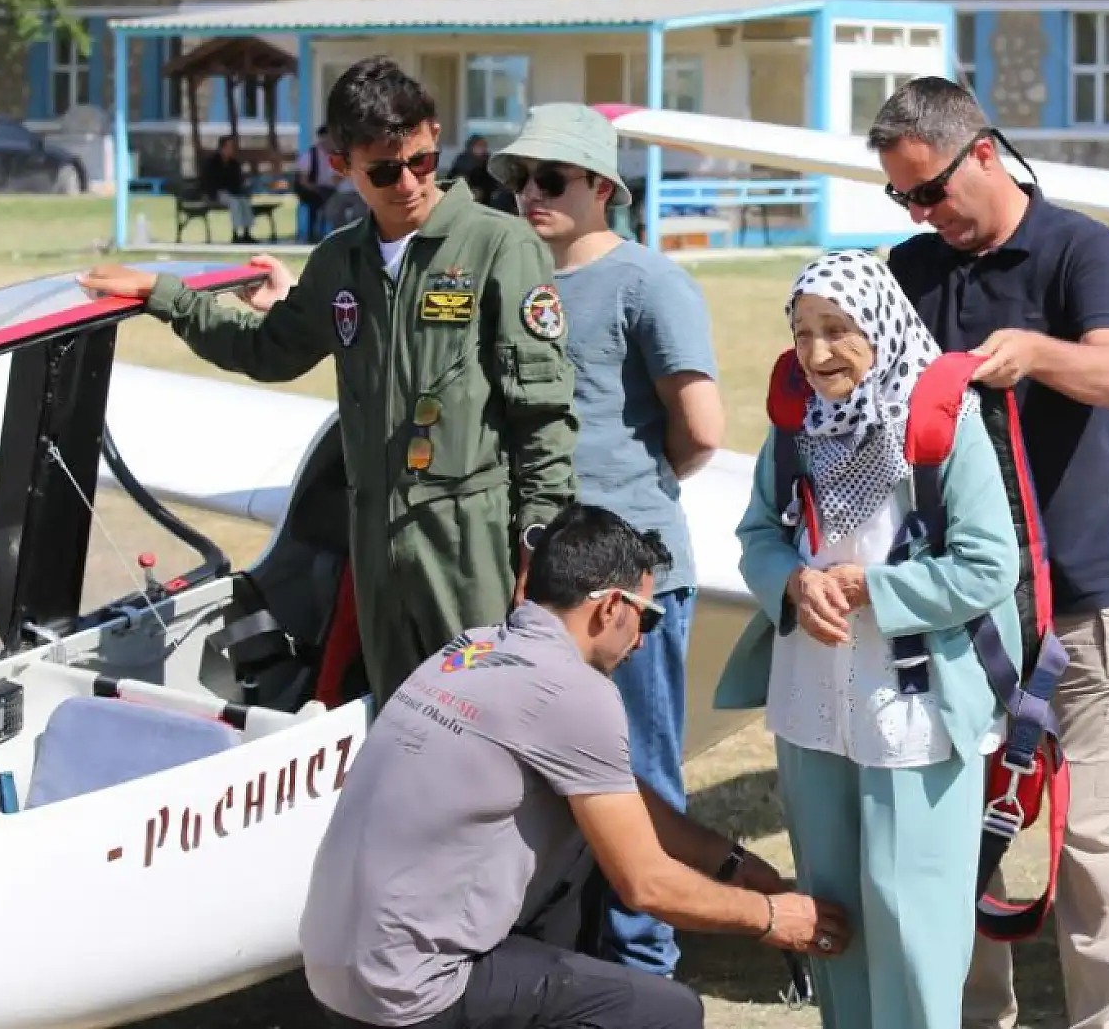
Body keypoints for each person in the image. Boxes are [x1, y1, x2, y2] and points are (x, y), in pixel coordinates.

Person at [76, 56, 578, 711]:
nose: (409, 184)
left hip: (469, 541)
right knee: (404, 723)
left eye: (422, 161)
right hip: (375, 542)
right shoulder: (340, 262)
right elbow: (268, 349)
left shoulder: (497, 248)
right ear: (342, 166)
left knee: (491, 718)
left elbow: (541, 415)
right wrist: (167, 296)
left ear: (433, 135)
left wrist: (538, 543)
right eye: (384, 170)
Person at [299, 502, 852, 1029]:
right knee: (667, 1013)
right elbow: (646, 886)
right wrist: (774, 918)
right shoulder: (575, 692)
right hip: (408, 995)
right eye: (648, 616)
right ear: (611, 607)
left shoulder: (471, 648)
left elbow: (615, 793)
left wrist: (728, 861)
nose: (641, 640)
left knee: (585, 839)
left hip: (332, 969)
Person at [866, 76, 1109, 1029]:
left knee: (1096, 855)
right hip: (962, 610)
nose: (921, 212)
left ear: (983, 153)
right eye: (902, 197)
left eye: (931, 190)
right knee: (957, 839)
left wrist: (1033, 352)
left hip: (1081, 604)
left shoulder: (1083, 248)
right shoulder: (909, 270)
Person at [718, 248, 1023, 1029]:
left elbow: (989, 565)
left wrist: (874, 591)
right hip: (813, 703)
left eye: (838, 330)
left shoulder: (944, 428)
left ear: (881, 328)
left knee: (912, 917)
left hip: (915, 712)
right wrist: (790, 578)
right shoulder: (794, 427)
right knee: (834, 911)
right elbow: (757, 533)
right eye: (803, 331)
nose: (816, 354)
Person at [487, 103, 726, 980]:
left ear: (600, 188)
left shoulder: (649, 284)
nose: (530, 195)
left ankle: (641, 976)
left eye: (550, 180)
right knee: (551, 781)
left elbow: (699, 428)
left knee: (640, 779)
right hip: (543, 587)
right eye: (518, 179)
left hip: (629, 585)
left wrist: (624, 502)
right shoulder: (517, 278)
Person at [203, 134, 256, 243]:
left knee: (245, 201)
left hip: (233, 192)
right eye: (228, 147)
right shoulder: (212, 162)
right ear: (222, 147)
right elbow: (210, 182)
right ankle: (235, 233)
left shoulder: (234, 163)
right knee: (234, 202)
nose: (231, 150)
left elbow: (237, 181)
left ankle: (247, 232)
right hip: (217, 193)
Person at [295, 125, 341, 241]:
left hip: (329, 188)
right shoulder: (310, 155)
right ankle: (313, 234)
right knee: (315, 202)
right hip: (310, 189)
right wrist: (317, 189)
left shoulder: (335, 155)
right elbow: (303, 181)